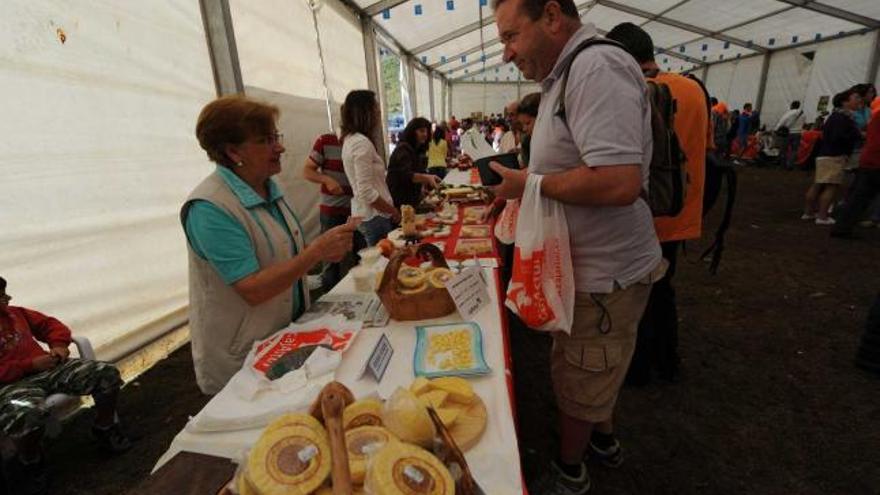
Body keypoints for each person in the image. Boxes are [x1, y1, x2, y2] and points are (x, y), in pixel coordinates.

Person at [490, 1, 663, 493]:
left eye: (510, 37)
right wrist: (523, 194)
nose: (506, 54)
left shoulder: (595, 67)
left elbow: (617, 182)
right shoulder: (569, 73)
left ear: (551, 16)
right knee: (597, 364)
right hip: (594, 270)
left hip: (602, 276)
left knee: (583, 370)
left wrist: (531, 186)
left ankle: (571, 472)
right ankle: (602, 441)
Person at [183, 95, 357, 394]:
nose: (280, 147)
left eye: (276, 136)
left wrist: (325, 250)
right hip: (241, 354)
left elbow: (283, 257)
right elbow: (253, 288)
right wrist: (315, 252)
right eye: (265, 140)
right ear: (232, 150)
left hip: (280, 339)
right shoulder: (210, 207)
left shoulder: (268, 189)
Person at [606, 22, 709, 386]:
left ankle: (641, 367)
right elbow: (705, 150)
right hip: (683, 208)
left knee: (640, 295)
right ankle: (668, 360)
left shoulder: (639, 92)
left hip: (649, 212)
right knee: (663, 288)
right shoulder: (694, 89)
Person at [0, 276, 131, 495]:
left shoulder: (16, 313)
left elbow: (50, 325)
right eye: (2, 296)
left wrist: (59, 346)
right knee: (25, 414)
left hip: (48, 368)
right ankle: (31, 462)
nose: (7, 299)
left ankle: (105, 428)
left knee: (104, 374)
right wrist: (28, 365)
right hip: (10, 384)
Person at [302, 133, 361, 291]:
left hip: (357, 210)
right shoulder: (326, 141)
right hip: (332, 210)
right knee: (330, 261)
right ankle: (329, 299)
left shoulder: (361, 142)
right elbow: (307, 171)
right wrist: (327, 180)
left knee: (360, 256)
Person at [340, 90, 400, 246]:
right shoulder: (360, 142)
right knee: (382, 264)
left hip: (371, 215)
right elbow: (366, 191)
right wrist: (391, 210)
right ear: (365, 112)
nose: (378, 112)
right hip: (375, 216)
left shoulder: (352, 139)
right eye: (375, 108)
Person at [802, 89, 862, 225]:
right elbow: (839, 137)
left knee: (817, 184)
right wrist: (856, 135)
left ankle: (808, 212)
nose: (858, 100)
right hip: (835, 155)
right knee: (831, 186)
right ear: (845, 102)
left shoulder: (834, 117)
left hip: (824, 155)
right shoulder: (842, 118)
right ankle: (822, 216)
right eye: (855, 98)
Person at [830, 104, 880, 238]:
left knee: (859, 196)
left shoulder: (876, 116)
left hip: (870, 160)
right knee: (860, 197)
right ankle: (842, 225)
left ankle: (842, 226)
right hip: (876, 161)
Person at [386, 117, 440, 209]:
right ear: (412, 132)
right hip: (400, 203)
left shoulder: (415, 151)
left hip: (410, 201)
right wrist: (426, 178)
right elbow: (406, 175)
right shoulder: (403, 149)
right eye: (422, 131)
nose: (425, 135)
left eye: (427, 132)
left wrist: (423, 188)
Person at [774, 101, 805, 170]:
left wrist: (776, 129)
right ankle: (790, 165)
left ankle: (783, 165)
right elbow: (803, 123)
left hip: (787, 133)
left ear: (792, 106)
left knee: (783, 149)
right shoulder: (803, 114)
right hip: (798, 133)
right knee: (794, 150)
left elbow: (782, 121)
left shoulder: (789, 113)